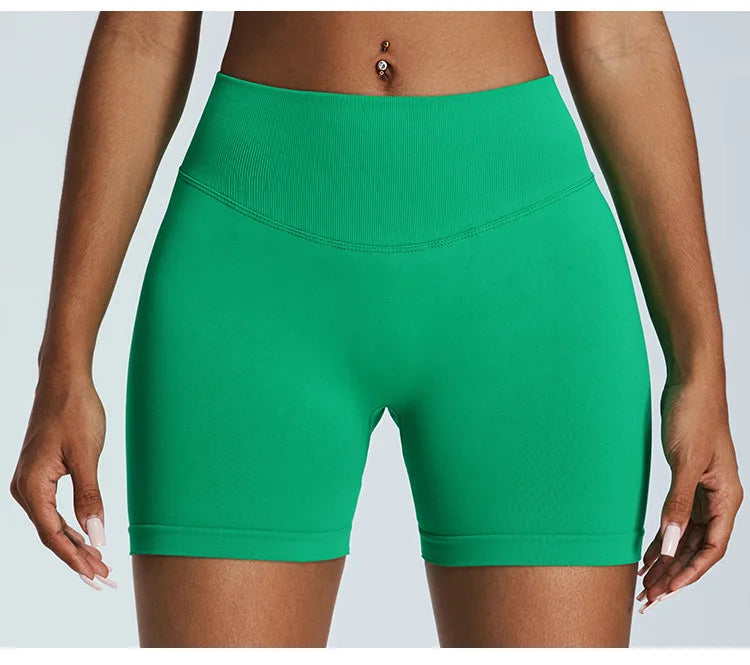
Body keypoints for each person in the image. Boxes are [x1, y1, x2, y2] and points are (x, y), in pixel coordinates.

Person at [10, 11, 743, 647]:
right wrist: (63, 362)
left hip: (530, 279)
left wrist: (701, 365)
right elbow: (143, 30)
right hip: (252, 270)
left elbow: (620, 36)